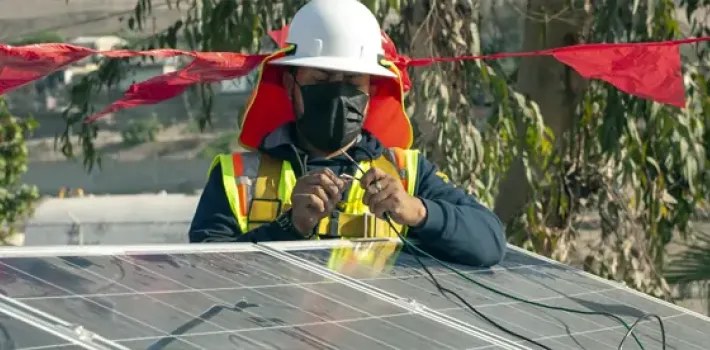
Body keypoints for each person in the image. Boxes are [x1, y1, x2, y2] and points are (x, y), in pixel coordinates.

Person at [188, 0, 507, 267]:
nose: (338, 94)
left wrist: (417, 211)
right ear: (290, 84)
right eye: (323, 78)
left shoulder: (407, 174)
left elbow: (490, 242)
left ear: (371, 89)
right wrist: (289, 227)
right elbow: (201, 275)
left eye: (352, 82)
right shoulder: (237, 179)